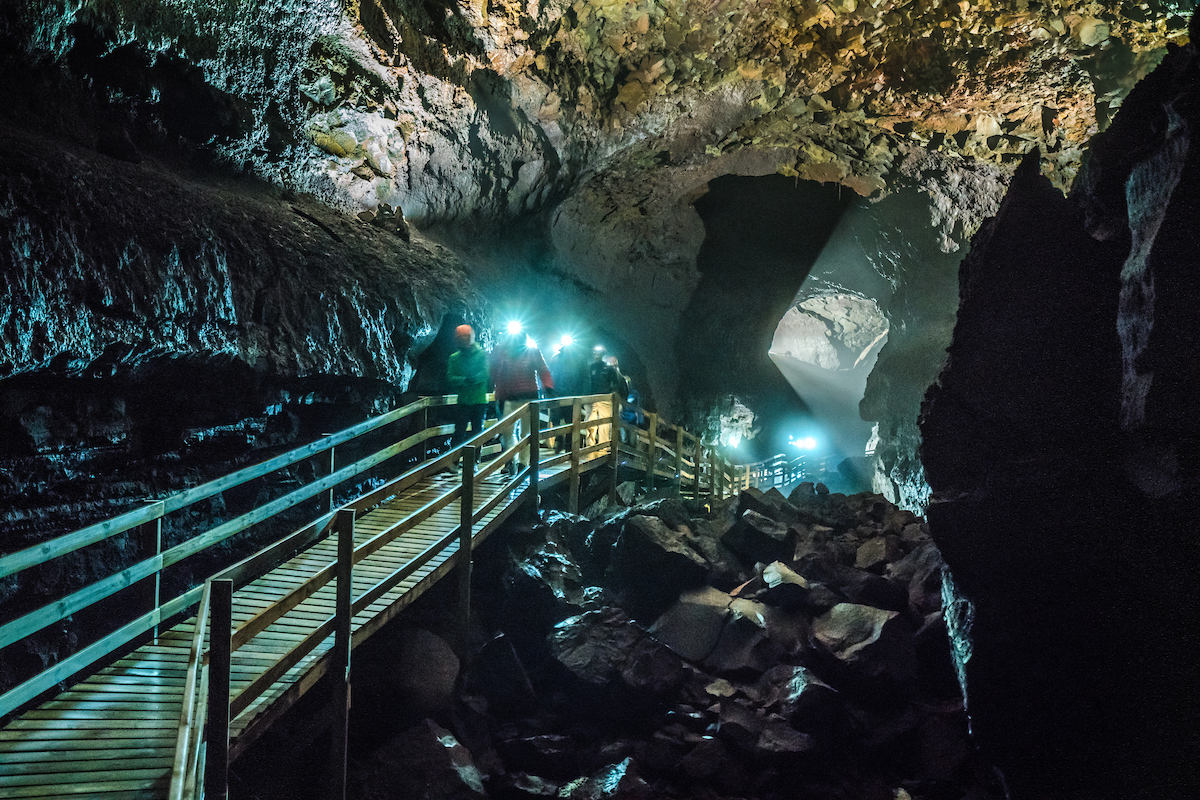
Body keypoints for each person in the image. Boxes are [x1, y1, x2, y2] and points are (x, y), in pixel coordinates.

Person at [490, 327, 554, 474]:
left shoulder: (532, 352)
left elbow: (543, 370)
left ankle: (522, 463)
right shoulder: (502, 352)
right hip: (510, 398)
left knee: (526, 432)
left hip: (529, 397)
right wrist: (498, 394)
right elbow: (497, 374)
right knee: (507, 432)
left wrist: (548, 386)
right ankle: (511, 460)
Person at [445, 324, 489, 470]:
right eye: (458, 337)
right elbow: (450, 378)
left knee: (477, 431)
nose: (459, 339)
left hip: (478, 400)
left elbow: (486, 373)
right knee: (459, 432)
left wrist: (472, 379)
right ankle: (455, 461)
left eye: (462, 336)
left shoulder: (482, 355)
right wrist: (466, 380)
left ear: (470, 337)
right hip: (463, 400)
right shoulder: (454, 358)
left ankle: (474, 461)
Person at [548, 337, 591, 452]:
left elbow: (586, 378)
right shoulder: (556, 358)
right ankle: (559, 440)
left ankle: (568, 446)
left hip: (573, 396)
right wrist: (549, 392)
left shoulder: (580, 359)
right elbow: (550, 375)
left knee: (570, 421)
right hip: (557, 395)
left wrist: (581, 396)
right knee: (555, 419)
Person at [587, 346, 628, 446]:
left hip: (605, 399)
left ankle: (603, 446)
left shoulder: (609, 369)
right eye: (595, 352)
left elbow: (617, 383)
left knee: (604, 424)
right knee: (589, 422)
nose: (596, 354)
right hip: (591, 398)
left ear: (602, 355)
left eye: (598, 352)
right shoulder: (590, 368)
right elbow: (586, 382)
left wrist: (612, 393)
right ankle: (589, 445)